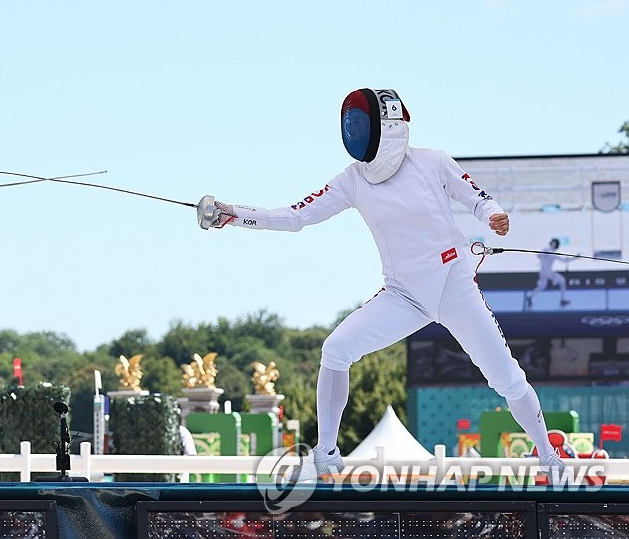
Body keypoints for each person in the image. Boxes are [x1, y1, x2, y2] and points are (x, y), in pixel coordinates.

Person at [199, 88, 570, 485]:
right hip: (404, 295)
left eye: (359, 124)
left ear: (387, 126)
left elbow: (476, 197)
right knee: (336, 349)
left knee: (506, 378)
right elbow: (296, 217)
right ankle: (325, 453)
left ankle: (548, 456)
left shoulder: (433, 162)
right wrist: (232, 215)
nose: (353, 133)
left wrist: (494, 214)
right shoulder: (353, 180)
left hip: (454, 285)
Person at [525, 238, 573, 308]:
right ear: (551, 243)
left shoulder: (554, 253)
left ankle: (530, 296)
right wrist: (543, 257)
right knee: (562, 280)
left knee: (542, 286)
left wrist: (575, 258)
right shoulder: (547, 249)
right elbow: (539, 255)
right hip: (546, 272)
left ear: (556, 245)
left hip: (544, 272)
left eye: (555, 244)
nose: (553, 244)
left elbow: (564, 261)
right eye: (553, 243)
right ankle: (562, 299)